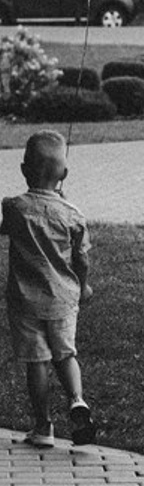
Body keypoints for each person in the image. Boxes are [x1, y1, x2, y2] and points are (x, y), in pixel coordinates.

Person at [3, 131, 95, 448]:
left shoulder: (14, 209)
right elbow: (81, 259)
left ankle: (43, 427)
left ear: (23, 169)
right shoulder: (73, 216)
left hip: (25, 301)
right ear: (64, 174)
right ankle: (77, 400)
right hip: (64, 299)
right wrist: (84, 287)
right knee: (65, 354)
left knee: (37, 362)